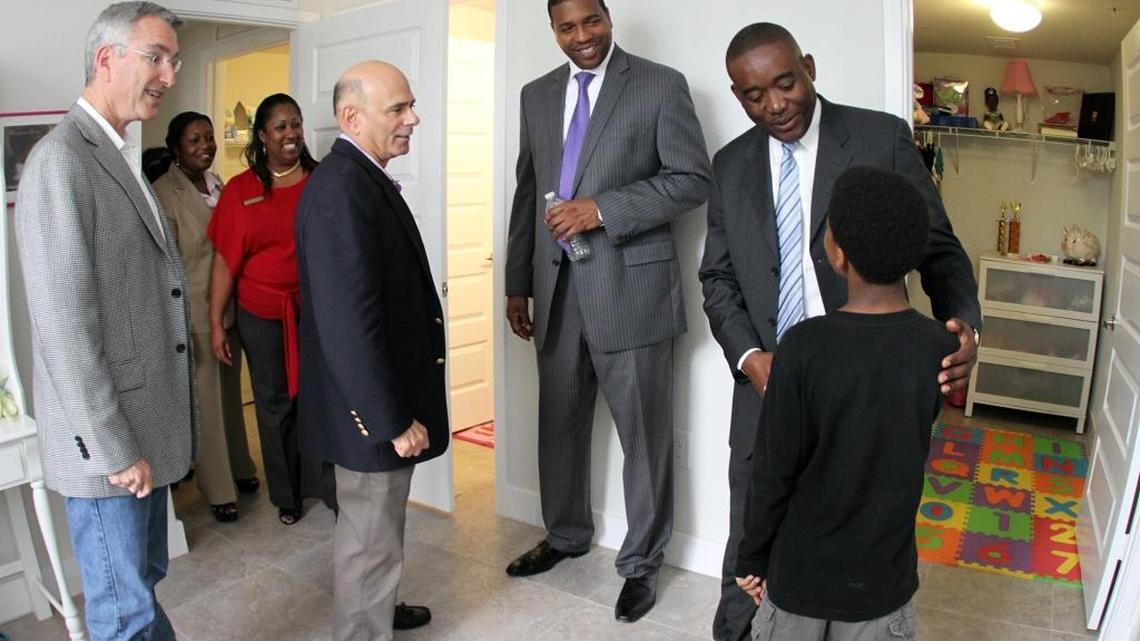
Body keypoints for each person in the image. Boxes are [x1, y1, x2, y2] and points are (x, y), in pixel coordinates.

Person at [698, 23, 982, 641]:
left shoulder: (881, 138)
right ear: (736, 95)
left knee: (863, 526)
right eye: (753, 95)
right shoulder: (730, 164)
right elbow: (716, 279)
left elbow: (939, 248)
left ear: (810, 67)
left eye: (785, 83)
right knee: (753, 523)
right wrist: (751, 358)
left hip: (868, 384)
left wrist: (966, 327)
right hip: (766, 384)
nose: (774, 105)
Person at [503, 0, 711, 623]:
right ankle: (565, 536)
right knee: (558, 425)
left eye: (590, 22)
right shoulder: (535, 94)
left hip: (632, 291)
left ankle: (641, 564)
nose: (581, 36)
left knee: (644, 436)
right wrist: (518, 282)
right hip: (557, 288)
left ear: (607, 18)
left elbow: (692, 178)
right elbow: (525, 191)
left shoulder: (658, 84)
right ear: (554, 31)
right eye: (567, 27)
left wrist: (601, 209)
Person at [14, 3, 194, 639]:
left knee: (140, 589)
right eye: (156, 57)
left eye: (173, 60)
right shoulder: (63, 160)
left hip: (140, 432)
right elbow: (64, 330)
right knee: (123, 613)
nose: (169, 74)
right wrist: (115, 449)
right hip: (110, 448)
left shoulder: (115, 152)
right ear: (106, 59)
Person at [734, 165, 958, 641]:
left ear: (836, 252)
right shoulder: (937, 347)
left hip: (799, 580)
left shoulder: (802, 346)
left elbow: (773, 471)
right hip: (883, 585)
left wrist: (752, 557)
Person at [296, 60, 443, 641]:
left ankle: (379, 606)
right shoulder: (340, 192)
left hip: (375, 404)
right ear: (350, 118)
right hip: (368, 416)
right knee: (367, 538)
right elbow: (348, 325)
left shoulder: (362, 178)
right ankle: (363, 628)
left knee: (378, 530)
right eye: (399, 109)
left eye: (410, 106)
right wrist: (389, 419)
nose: (414, 118)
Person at [207, 93, 334, 525]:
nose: (291, 133)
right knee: (274, 403)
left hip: (314, 312)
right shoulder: (241, 191)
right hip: (260, 314)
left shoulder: (322, 181)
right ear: (262, 136)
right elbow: (225, 262)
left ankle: (324, 485)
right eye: (280, 126)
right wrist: (216, 324)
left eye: (295, 124)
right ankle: (289, 495)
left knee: (319, 398)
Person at [150, 111, 260, 523]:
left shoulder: (222, 186)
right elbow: (165, 263)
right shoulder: (164, 193)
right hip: (193, 312)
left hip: (232, 307)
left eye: (209, 138)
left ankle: (241, 467)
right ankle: (218, 489)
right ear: (176, 149)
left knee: (232, 395)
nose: (206, 146)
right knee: (207, 403)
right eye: (195, 140)